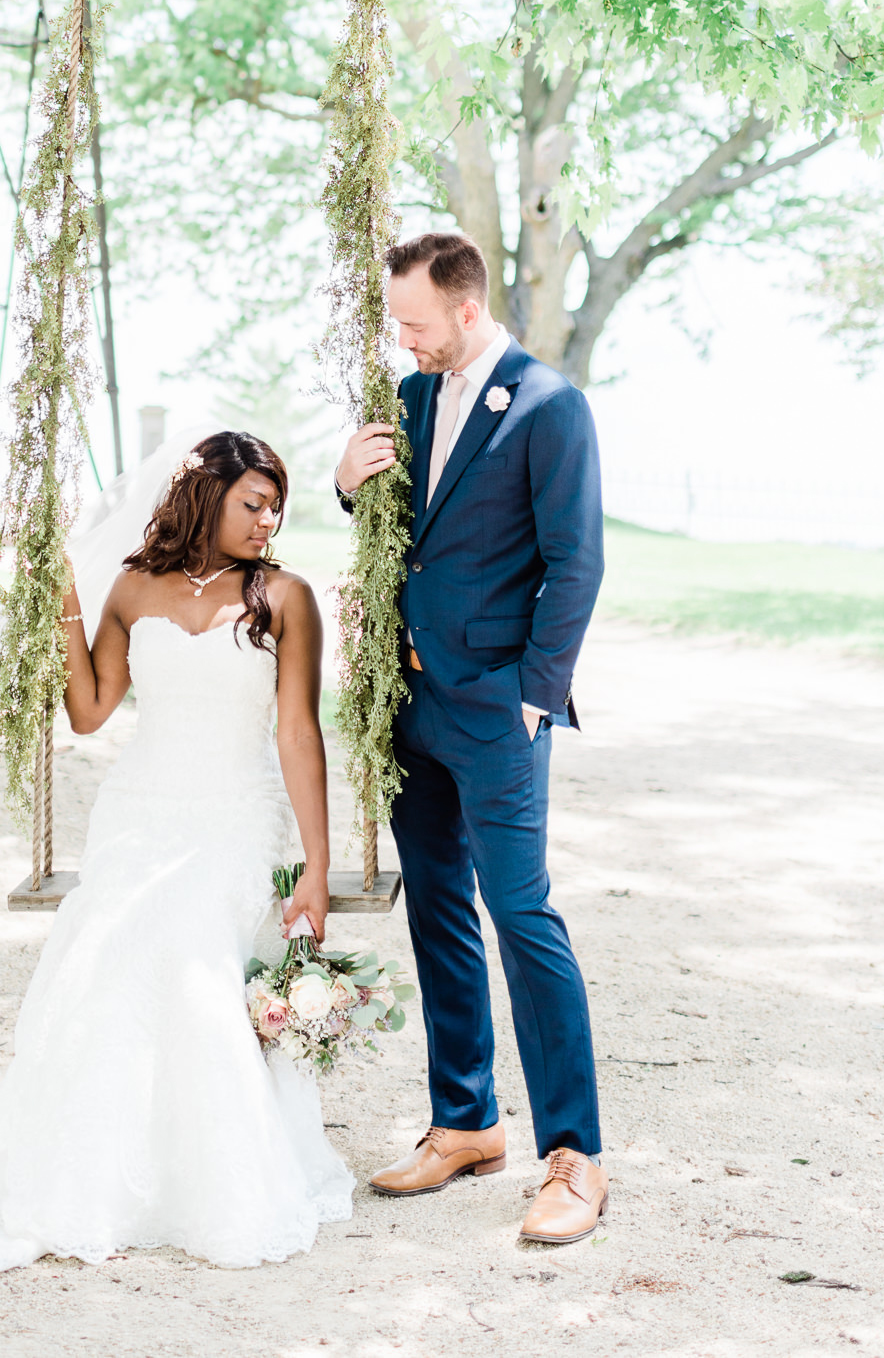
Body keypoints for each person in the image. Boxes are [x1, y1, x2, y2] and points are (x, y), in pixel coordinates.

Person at [0, 431, 352, 1272]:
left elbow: (297, 733)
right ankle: (87, 1170)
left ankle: (211, 1176)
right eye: (254, 502)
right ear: (205, 497)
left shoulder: (283, 597)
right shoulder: (133, 590)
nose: (268, 519)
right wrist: (67, 598)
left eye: (276, 505)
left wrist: (318, 867)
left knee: (185, 951)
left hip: (234, 817)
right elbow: (92, 710)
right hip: (139, 809)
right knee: (105, 949)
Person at [336, 233, 607, 1245]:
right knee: (437, 912)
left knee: (521, 912)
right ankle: (466, 1122)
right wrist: (346, 483)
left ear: (463, 308)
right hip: (411, 707)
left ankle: (574, 1157)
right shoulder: (407, 400)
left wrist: (533, 696)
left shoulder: (548, 405)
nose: (400, 339)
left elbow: (575, 562)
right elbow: (398, 536)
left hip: (499, 709)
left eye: (412, 322)